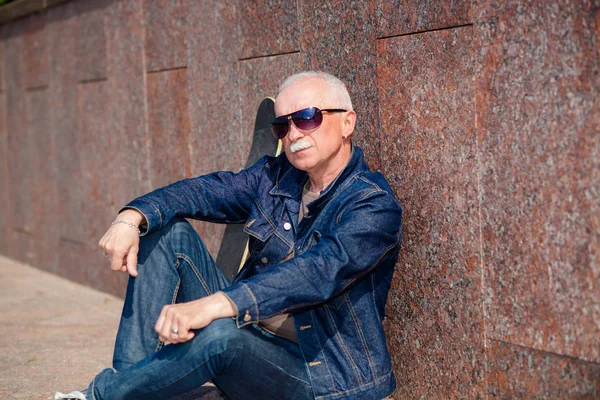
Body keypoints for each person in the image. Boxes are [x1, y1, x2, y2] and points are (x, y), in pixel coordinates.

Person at [55, 71, 402, 400]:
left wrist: (216, 305)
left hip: (318, 374)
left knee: (220, 333)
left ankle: (101, 395)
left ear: (347, 122)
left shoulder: (372, 204)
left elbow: (318, 272)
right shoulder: (277, 178)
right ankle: (127, 388)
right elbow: (205, 192)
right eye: (282, 125)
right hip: (251, 330)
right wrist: (131, 217)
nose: (294, 134)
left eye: (307, 117)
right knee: (165, 234)